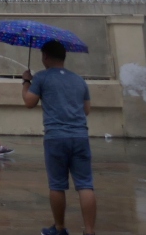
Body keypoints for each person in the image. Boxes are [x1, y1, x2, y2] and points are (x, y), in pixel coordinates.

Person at [23, 40, 95, 235]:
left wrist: (26, 82)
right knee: (85, 184)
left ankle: (60, 228)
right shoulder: (79, 80)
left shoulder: (42, 78)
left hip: (56, 137)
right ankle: (89, 231)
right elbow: (86, 110)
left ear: (45, 56)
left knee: (57, 185)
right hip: (80, 136)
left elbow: (29, 102)